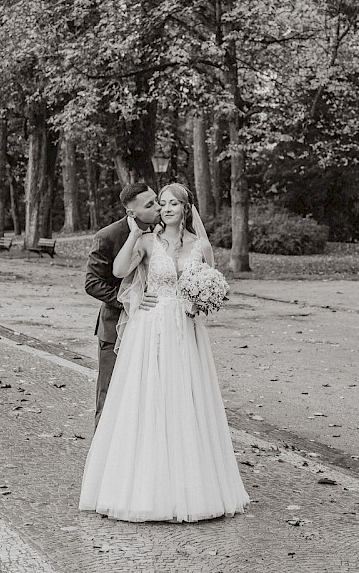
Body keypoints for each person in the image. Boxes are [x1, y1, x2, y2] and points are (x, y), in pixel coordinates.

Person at [79, 183, 249, 523]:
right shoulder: (145, 240)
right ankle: (136, 483)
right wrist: (133, 237)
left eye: (172, 203)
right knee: (143, 399)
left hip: (186, 330)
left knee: (184, 400)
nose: (165, 208)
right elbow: (116, 273)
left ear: (185, 209)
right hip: (149, 328)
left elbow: (212, 279)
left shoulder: (200, 245)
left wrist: (205, 297)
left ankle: (191, 485)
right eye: (162, 203)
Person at [83, 182, 160, 427]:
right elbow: (92, 283)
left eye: (156, 200)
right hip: (114, 329)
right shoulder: (108, 236)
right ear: (131, 213)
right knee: (109, 395)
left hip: (154, 328)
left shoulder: (166, 233)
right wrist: (130, 299)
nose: (158, 207)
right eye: (150, 205)